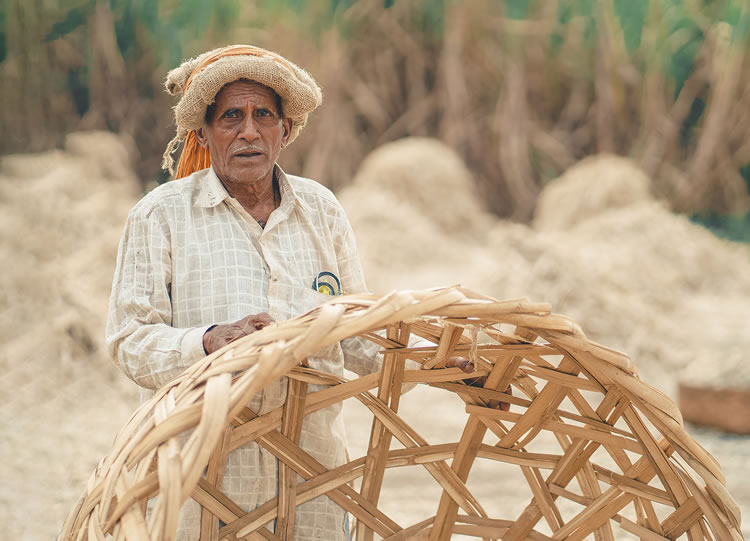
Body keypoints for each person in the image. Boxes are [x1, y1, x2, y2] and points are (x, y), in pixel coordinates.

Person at [106, 45, 486, 540]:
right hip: (204, 482)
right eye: (230, 117)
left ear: (285, 130)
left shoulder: (321, 210)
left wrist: (442, 366)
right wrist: (209, 341)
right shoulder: (161, 216)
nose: (248, 130)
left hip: (313, 478)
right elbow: (130, 341)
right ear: (202, 132)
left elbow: (356, 336)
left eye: (263, 114)